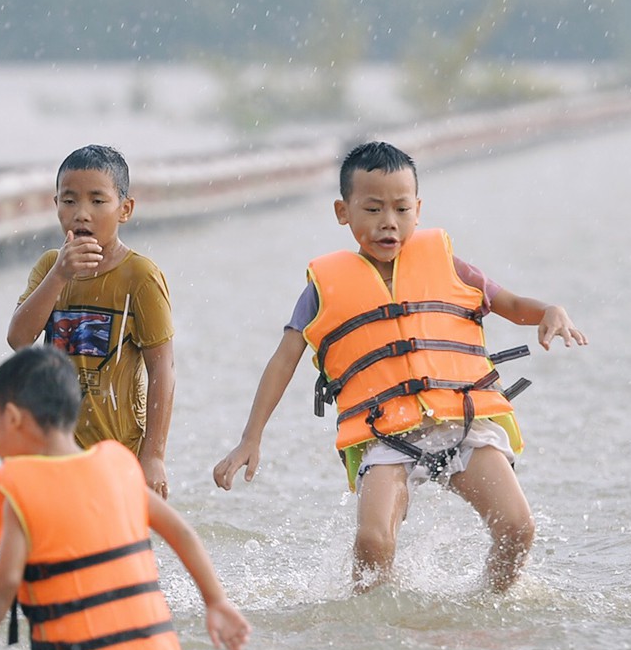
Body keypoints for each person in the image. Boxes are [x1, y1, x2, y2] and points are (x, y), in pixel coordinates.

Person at [212, 141, 587, 592]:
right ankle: (370, 623)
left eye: (401, 209)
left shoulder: (448, 264)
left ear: (418, 210)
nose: (388, 222)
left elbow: (508, 303)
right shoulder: (322, 288)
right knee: (373, 541)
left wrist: (549, 311)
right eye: (372, 209)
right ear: (342, 211)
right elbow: (284, 358)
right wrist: (251, 437)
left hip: (462, 420)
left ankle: (491, 605)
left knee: (518, 528)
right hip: (385, 432)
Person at [0, 346, 249, 650]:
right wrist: (216, 601)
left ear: (13, 418)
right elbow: (182, 533)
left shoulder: (22, 487)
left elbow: (6, 582)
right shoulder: (119, 468)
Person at [7, 144, 176, 499]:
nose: (81, 213)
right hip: (54, 447)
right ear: (55, 206)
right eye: (69, 201)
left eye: (97, 201)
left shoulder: (139, 277)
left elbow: (162, 369)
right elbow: (19, 339)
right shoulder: (49, 267)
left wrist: (154, 455)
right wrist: (60, 275)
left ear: (125, 209)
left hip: (118, 453)